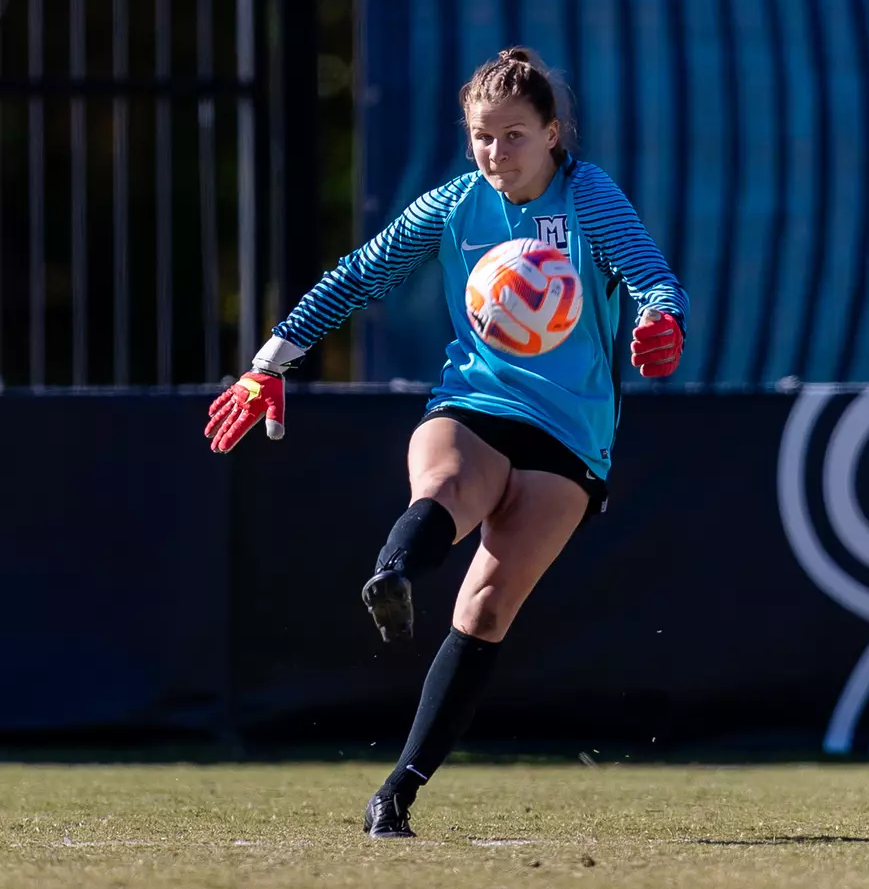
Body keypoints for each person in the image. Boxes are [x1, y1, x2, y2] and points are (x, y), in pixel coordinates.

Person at [203, 48, 688, 839]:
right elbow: (358, 274)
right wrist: (269, 363)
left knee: (488, 609)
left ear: (553, 132)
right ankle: (392, 576)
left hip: (571, 431)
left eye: (514, 135)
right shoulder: (454, 204)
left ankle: (396, 790)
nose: (496, 153)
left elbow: (651, 274)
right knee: (444, 494)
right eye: (481, 136)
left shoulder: (587, 192)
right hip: (476, 400)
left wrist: (662, 319)